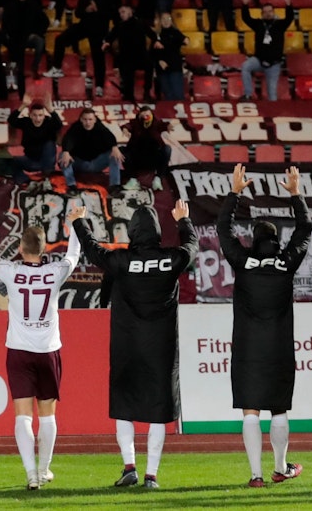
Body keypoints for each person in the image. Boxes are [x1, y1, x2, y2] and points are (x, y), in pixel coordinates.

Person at [72, 198, 194, 489]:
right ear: (156, 231)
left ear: (132, 232)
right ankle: (151, 475)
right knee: (158, 410)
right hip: (161, 349)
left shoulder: (120, 261)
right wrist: (183, 221)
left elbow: (93, 250)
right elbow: (192, 248)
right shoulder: (171, 259)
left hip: (127, 347)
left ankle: (129, 468)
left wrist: (80, 221)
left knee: (124, 406)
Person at [0, 198, 78, 490]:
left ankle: (31, 473)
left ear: (20, 248)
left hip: (19, 351)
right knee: (48, 414)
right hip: (48, 350)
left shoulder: (12, 271)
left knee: (22, 415)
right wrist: (76, 223)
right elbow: (74, 255)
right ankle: (44, 470)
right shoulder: (55, 272)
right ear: (44, 249)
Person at [217, 165, 311, 488]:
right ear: (276, 239)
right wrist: (295, 194)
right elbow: (305, 229)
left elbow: (222, 231)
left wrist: (234, 192)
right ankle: (281, 467)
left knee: (250, 412)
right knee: (279, 409)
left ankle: (256, 475)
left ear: (253, 240)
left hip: (246, 349)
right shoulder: (286, 263)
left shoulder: (243, 262)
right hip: (279, 349)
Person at [45, 0, 116, 82]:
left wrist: (97, 10)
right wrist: (86, 10)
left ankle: (99, 86)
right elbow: (77, 13)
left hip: (99, 29)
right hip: (84, 26)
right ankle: (56, 68)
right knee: (60, 39)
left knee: (98, 58)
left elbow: (112, 14)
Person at [239, 0, 297, 101]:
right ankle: (248, 94)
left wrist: (289, 5)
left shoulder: (280, 24)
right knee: (245, 66)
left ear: (273, 12)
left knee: (272, 94)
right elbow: (246, 18)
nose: (268, 13)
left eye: (270, 11)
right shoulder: (258, 24)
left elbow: (289, 18)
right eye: (265, 12)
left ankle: (273, 114)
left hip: (274, 64)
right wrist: (245, 5)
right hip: (258, 60)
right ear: (262, 14)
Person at [59, 109, 122, 190]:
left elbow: (109, 136)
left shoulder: (100, 127)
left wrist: (114, 147)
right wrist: (66, 151)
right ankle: (71, 186)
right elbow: (68, 139)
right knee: (62, 155)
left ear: (95, 120)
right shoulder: (75, 128)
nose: (88, 122)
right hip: (80, 163)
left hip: (97, 163)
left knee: (115, 153)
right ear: (81, 119)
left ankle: (115, 185)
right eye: (85, 119)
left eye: (90, 119)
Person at [7, 100, 62, 185]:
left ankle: (47, 178)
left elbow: (59, 124)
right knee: (13, 161)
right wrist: (24, 105)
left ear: (44, 116)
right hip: (31, 161)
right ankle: (25, 181)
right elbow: (11, 120)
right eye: (35, 115)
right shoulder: (26, 122)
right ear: (30, 115)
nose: (38, 118)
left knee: (50, 144)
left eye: (40, 115)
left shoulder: (49, 122)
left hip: (47, 163)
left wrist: (50, 109)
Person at [120, 107, 172, 188]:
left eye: (147, 114)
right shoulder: (135, 123)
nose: (145, 117)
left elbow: (164, 125)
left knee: (167, 149)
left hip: (153, 158)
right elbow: (128, 125)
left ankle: (158, 178)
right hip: (137, 158)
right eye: (143, 114)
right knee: (121, 150)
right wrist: (125, 129)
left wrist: (168, 126)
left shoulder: (156, 123)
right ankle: (133, 179)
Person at [150, 13, 187, 101]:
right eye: (163, 19)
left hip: (175, 68)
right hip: (162, 69)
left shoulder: (176, 33)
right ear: (160, 21)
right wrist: (159, 61)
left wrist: (187, 40)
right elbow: (152, 52)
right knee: (167, 94)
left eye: (168, 18)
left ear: (172, 21)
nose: (166, 21)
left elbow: (185, 40)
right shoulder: (156, 35)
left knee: (177, 93)